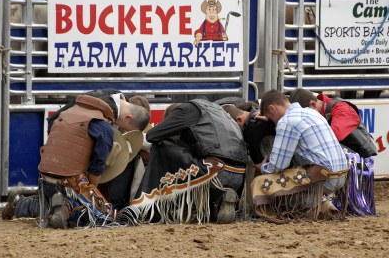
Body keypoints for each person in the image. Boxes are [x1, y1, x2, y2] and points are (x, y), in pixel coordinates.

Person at [2, 89, 150, 228]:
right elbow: (97, 166)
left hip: (45, 174)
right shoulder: (104, 127)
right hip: (71, 179)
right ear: (128, 117)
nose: (121, 130)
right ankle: (67, 207)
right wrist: (92, 190)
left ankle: (21, 203)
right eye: (125, 128)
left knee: (51, 196)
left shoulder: (73, 109)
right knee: (105, 216)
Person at [117, 98, 248, 225]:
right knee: (185, 157)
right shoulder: (221, 114)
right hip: (238, 176)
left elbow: (153, 136)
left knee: (161, 147)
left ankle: (141, 206)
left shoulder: (186, 110)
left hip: (213, 172)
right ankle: (213, 208)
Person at [251, 90, 349, 222]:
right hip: (341, 177)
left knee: (261, 184)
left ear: (272, 108)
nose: (273, 122)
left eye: (271, 117)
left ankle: (314, 206)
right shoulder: (312, 113)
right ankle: (322, 201)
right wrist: (270, 117)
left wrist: (262, 168)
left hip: (323, 180)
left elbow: (277, 166)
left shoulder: (286, 122)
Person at [289, 88, 377, 216]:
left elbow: (333, 137)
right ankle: (322, 201)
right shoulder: (323, 110)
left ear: (313, 105)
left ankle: (332, 201)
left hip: (356, 160)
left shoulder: (342, 108)